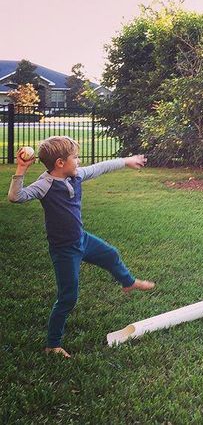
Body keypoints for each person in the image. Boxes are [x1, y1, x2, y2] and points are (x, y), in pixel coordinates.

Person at [8, 136, 155, 358]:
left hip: (82, 240)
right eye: (75, 158)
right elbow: (16, 197)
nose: (78, 162)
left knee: (111, 254)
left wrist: (126, 161)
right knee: (68, 297)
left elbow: (100, 167)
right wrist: (20, 169)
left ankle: (128, 282)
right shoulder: (44, 185)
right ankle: (53, 344)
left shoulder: (76, 175)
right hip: (64, 250)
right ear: (60, 163)